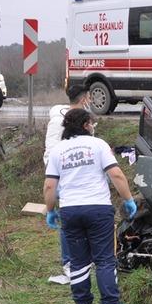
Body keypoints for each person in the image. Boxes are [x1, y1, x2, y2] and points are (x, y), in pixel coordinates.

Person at [43, 109, 137, 304]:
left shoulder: (58, 150)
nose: (94, 126)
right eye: (92, 123)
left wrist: (50, 211)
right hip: (98, 209)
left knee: (78, 261)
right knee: (104, 260)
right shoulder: (98, 145)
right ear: (86, 125)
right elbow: (116, 174)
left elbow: (49, 185)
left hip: (70, 211)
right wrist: (128, 199)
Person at [42, 84, 91, 285]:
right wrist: (57, 178)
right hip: (64, 178)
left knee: (84, 219)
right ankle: (69, 263)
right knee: (67, 221)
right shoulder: (58, 122)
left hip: (83, 177)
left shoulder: (85, 119)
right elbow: (51, 152)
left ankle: (83, 260)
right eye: (89, 97)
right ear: (84, 98)